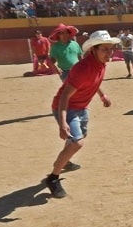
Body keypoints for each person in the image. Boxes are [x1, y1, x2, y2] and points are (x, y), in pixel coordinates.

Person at [43, 30, 121, 198]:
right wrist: (63, 122)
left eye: (110, 49)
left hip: (82, 107)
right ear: (94, 50)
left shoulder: (100, 63)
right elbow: (65, 96)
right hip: (66, 107)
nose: (109, 53)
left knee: (76, 139)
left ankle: (65, 161)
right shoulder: (83, 68)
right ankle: (53, 178)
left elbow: (95, 81)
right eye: (105, 49)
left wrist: (102, 95)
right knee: (77, 142)